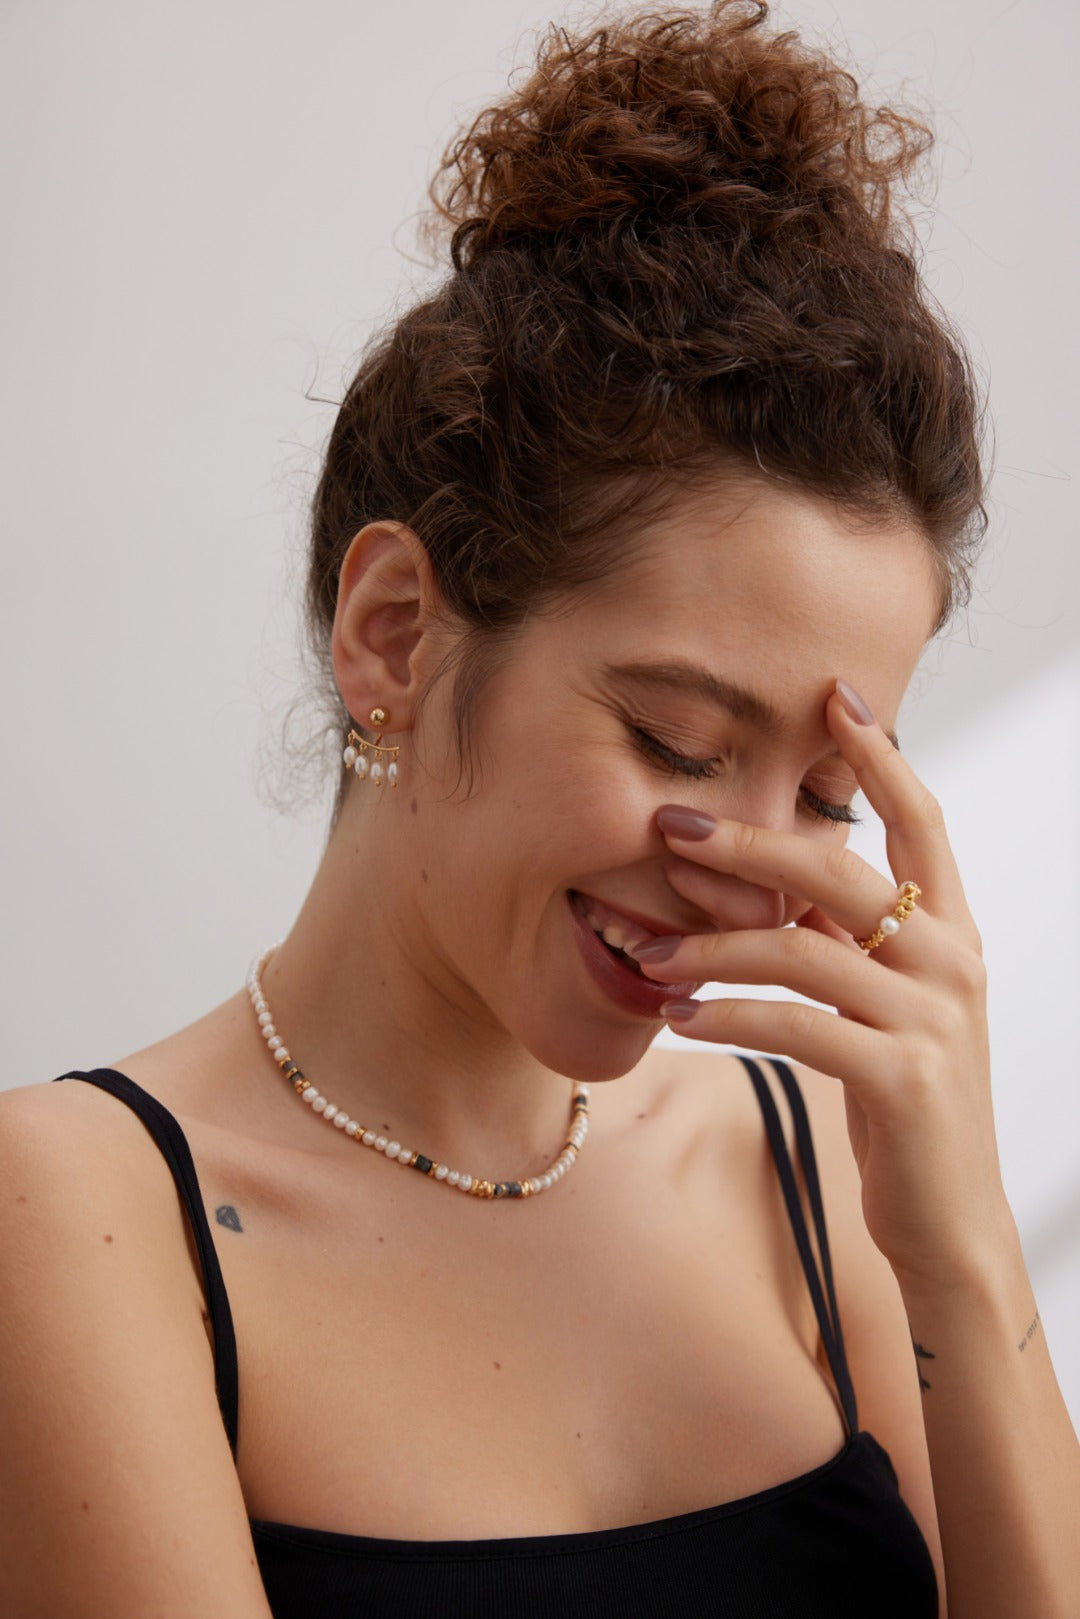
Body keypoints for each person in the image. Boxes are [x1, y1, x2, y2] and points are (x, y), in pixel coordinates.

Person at [2, 2, 1077, 1614]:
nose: (754, 873)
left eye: (832, 796)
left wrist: (963, 1247)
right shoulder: (84, 1217)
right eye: (676, 741)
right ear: (397, 635)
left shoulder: (813, 1173)